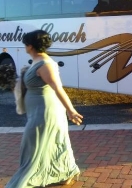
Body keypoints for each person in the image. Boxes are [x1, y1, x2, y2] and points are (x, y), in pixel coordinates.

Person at [6, 30, 83, 188]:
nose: (25, 47)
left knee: (32, 146)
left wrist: (71, 111)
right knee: (54, 142)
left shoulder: (46, 65)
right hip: (37, 111)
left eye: (26, 44)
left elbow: (58, 88)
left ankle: (21, 183)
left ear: (31, 46)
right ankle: (68, 172)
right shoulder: (36, 60)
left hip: (46, 113)